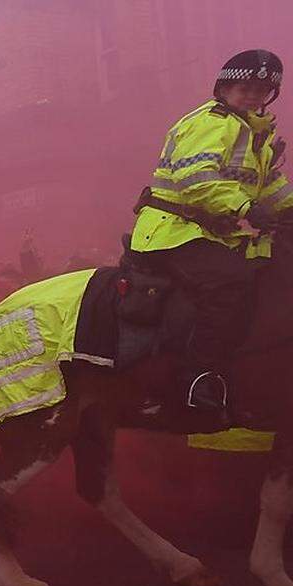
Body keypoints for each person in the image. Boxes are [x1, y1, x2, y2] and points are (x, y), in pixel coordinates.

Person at [129, 49, 293, 409]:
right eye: (245, 86)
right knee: (232, 282)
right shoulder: (209, 122)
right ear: (224, 86)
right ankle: (199, 378)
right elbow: (198, 180)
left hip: (209, 234)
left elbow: (272, 188)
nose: (252, 94)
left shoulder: (256, 136)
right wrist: (246, 207)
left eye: (262, 89)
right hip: (173, 230)